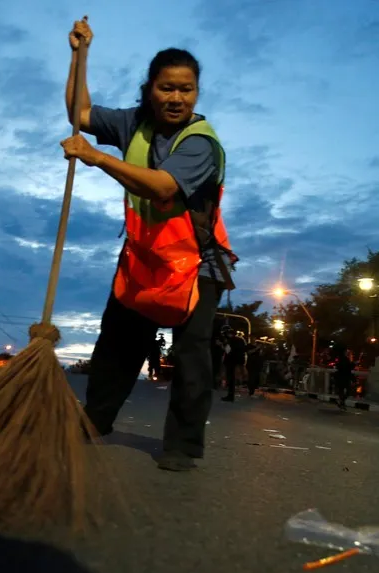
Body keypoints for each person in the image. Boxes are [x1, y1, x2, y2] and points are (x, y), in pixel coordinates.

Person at [62, 18, 239, 472]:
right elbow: (79, 113)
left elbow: (162, 188)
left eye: (187, 89)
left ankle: (182, 446)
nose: (177, 98)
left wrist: (97, 157)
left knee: (191, 354)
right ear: (150, 89)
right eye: (167, 88)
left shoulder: (201, 142)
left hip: (196, 262)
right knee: (117, 342)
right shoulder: (133, 124)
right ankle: (94, 420)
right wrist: (79, 55)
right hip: (144, 258)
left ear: (196, 93)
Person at [221, 329, 247, 402]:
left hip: (230, 361)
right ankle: (231, 395)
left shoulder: (230, 340)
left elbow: (227, 350)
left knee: (230, 378)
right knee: (234, 378)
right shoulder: (241, 340)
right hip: (238, 362)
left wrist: (222, 345)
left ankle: (230, 395)